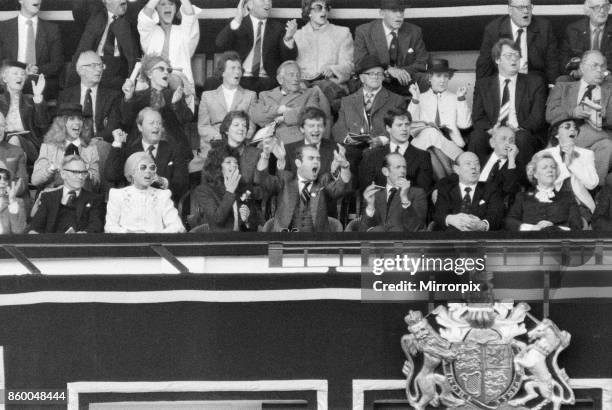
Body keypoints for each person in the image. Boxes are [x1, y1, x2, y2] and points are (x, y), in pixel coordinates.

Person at [469, 39, 546, 170]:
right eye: (509, 55)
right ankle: (481, 182)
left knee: (522, 138)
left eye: (517, 55)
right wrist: (493, 130)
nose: (514, 59)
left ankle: (522, 184)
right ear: (497, 60)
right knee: (477, 137)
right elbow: (478, 117)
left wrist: (515, 130)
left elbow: (537, 118)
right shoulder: (483, 85)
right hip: (493, 130)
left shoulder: (534, 82)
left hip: (521, 130)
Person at [333, 55, 406, 188]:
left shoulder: (396, 100)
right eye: (371, 74)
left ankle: (367, 203)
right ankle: (347, 200)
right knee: (345, 157)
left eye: (379, 74)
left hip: (381, 146)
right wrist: (348, 139)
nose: (376, 76)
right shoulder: (347, 101)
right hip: (353, 147)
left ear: (384, 77)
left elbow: (400, 128)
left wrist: (382, 139)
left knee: (371, 156)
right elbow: (338, 129)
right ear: (361, 78)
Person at [546, 50, 612, 186]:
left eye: (603, 66)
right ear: (582, 67)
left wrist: (600, 115)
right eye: (594, 65)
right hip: (567, 131)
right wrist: (573, 112)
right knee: (606, 145)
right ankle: (590, 192)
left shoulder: (609, 89)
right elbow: (550, 114)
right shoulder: (563, 85)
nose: (600, 70)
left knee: (606, 145)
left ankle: (556, 155)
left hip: (597, 132)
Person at [255, 142, 351, 232]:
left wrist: (345, 167)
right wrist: (266, 155)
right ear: (298, 163)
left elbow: (341, 188)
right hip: (286, 240)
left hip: (316, 242)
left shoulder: (323, 181)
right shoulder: (285, 180)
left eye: (318, 159)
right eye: (311, 158)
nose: (316, 162)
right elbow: (261, 179)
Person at [120, 54, 194, 160]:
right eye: (161, 69)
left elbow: (187, 119)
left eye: (168, 70)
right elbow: (125, 121)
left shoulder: (175, 94)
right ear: (149, 74)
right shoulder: (137, 96)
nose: (166, 72)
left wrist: (176, 104)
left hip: (172, 148)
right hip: (143, 149)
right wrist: (128, 98)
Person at [105, 107, 189, 201]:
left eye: (159, 123)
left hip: (164, 205)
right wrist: (117, 143)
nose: (156, 126)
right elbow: (111, 175)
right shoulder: (130, 150)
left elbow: (182, 184)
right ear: (140, 127)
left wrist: (162, 182)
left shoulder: (175, 150)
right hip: (134, 206)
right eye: (151, 123)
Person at [215, 0, 298, 93]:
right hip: (240, 79)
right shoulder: (237, 23)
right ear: (250, 4)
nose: (267, 3)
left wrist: (288, 38)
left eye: (269, 0)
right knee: (212, 83)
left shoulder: (279, 28)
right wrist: (238, 19)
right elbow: (220, 44)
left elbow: (290, 58)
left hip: (268, 82)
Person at [407, 58, 468, 178]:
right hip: (422, 143)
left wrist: (461, 99)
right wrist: (415, 98)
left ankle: (445, 181)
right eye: (438, 76)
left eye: (446, 76)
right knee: (430, 132)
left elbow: (464, 124)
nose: (443, 80)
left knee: (431, 151)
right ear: (430, 78)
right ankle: (456, 167)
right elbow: (410, 124)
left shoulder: (455, 98)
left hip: (448, 145)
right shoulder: (420, 97)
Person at [476, 0, 559, 86]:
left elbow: (552, 63)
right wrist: (479, 94)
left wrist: (552, 89)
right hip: (504, 82)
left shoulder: (544, 27)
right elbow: (484, 67)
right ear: (510, 10)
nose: (526, 11)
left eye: (528, 7)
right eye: (520, 8)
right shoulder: (493, 30)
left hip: (534, 84)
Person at [353, 0, 429, 94]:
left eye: (401, 11)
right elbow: (360, 62)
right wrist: (387, 70)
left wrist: (401, 72)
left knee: (429, 79)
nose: (399, 15)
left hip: (405, 79)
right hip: (378, 79)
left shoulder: (414, 31)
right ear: (382, 14)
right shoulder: (364, 31)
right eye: (394, 11)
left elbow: (422, 63)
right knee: (365, 81)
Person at [250, 60, 331, 145]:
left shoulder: (311, 93)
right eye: (291, 75)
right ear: (280, 79)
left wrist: (284, 117)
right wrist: (280, 110)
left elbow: (311, 113)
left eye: (298, 75)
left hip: (296, 141)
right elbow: (256, 115)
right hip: (269, 141)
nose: (296, 79)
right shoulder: (265, 95)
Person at [294, 0, 353, 111]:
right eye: (318, 7)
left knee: (324, 92)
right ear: (308, 11)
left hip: (330, 84)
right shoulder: (297, 35)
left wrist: (333, 69)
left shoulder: (342, 33)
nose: (324, 11)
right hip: (304, 84)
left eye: (326, 7)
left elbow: (349, 65)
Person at [105, 151, 186, 233]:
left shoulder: (162, 195)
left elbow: (177, 226)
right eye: (143, 167)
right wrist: (128, 233)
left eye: (152, 167)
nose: (148, 171)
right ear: (132, 172)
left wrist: (157, 236)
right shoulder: (117, 195)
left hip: (155, 243)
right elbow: (110, 227)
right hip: (127, 242)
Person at [69, 0, 141, 90]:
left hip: (117, 73)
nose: (123, 0)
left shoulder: (131, 20)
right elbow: (78, 6)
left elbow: (134, 59)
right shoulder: (95, 15)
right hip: (92, 66)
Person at [0, 0, 64, 99]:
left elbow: (57, 63)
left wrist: (37, 69)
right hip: (8, 81)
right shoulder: (3, 28)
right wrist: (17, 71)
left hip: (38, 80)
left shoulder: (52, 30)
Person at [359, 109, 433, 193]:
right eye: (399, 125)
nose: (404, 129)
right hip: (378, 203)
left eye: (407, 125)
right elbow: (366, 188)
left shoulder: (423, 156)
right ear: (388, 128)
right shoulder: (373, 155)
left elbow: (423, 191)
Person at [505, 152, 583, 231]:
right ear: (535, 174)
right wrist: (532, 228)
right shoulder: (522, 197)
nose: (550, 170)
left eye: (553, 167)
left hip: (558, 241)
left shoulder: (568, 197)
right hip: (530, 240)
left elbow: (577, 226)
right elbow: (510, 222)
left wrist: (553, 228)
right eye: (544, 167)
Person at [31, 103, 100, 191]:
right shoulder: (49, 146)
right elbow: (35, 180)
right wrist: (51, 168)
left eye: (80, 119)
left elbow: (97, 183)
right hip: (54, 195)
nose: (77, 123)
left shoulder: (90, 148)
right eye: (71, 119)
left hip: (81, 196)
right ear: (62, 124)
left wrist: (87, 173)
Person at [538, 118, 599, 217]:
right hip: (552, 204)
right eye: (567, 127)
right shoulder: (544, 155)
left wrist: (573, 161)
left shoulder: (587, 154)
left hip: (579, 205)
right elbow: (544, 183)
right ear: (556, 134)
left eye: (575, 128)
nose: (572, 130)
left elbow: (592, 183)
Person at [28, 155, 104, 234]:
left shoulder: (95, 199)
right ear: (63, 174)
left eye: (83, 173)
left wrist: (83, 235)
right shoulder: (48, 197)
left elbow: (96, 226)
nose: (81, 177)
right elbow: (36, 226)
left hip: (80, 243)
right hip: (52, 243)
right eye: (75, 172)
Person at [190, 148, 260, 232]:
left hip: (243, 240)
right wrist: (230, 191)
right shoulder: (204, 190)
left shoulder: (243, 188)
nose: (234, 165)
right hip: (220, 241)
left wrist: (246, 220)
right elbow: (217, 220)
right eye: (228, 162)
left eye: (236, 162)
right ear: (217, 167)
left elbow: (253, 225)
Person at [433, 152, 505, 231]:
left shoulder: (491, 189)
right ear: (457, 169)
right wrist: (450, 219)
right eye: (468, 164)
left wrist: (482, 225)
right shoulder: (446, 190)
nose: (473, 167)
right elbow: (438, 215)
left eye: (477, 164)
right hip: (450, 238)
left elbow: (496, 215)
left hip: (479, 239)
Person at [197, 52, 257, 143]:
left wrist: (236, 138)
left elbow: (251, 126)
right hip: (214, 144)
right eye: (233, 68)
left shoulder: (250, 96)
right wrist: (223, 138)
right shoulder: (207, 96)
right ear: (223, 73)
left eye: (239, 68)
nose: (237, 72)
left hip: (240, 145)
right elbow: (203, 126)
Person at [138, 0, 200, 86]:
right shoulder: (150, 32)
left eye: (171, 4)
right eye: (163, 4)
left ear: (175, 9)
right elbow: (145, 16)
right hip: (153, 87)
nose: (167, 7)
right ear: (157, 9)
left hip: (181, 87)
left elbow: (190, 15)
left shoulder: (184, 32)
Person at [360, 153, 427, 232]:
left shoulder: (417, 193)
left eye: (404, 167)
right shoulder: (374, 195)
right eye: (398, 167)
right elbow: (363, 231)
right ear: (385, 171)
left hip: (404, 242)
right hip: (378, 243)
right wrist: (370, 207)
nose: (402, 171)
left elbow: (417, 228)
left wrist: (404, 199)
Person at [0, 60, 49, 168]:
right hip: (2, 141)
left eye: (23, 74)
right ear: (5, 78)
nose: (20, 77)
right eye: (15, 73)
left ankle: (8, 179)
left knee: (14, 139)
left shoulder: (31, 100)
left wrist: (38, 99)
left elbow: (43, 126)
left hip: (28, 142)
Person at [560, 0, 612, 80]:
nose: (602, 11)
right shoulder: (573, 29)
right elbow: (564, 58)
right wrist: (576, 72)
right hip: (580, 75)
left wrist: (605, 72)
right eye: (597, 7)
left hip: (606, 75)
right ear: (588, 11)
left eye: (605, 6)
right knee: (562, 80)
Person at [478, 125, 521, 207]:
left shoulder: (515, 167)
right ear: (492, 143)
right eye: (503, 139)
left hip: (495, 208)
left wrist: (511, 160)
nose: (507, 144)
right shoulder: (479, 160)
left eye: (511, 141)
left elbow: (510, 191)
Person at [0, 112, 28, 203]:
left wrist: (5, 192)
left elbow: (22, 183)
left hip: (8, 202)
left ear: (5, 128)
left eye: (1, 125)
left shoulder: (16, 151)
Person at [0, 161, 26, 235]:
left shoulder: (17, 202)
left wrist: (12, 201)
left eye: (5, 178)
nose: (3, 181)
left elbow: (18, 232)